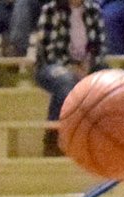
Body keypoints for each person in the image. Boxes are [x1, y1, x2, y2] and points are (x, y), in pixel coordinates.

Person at [34, 0, 106, 156]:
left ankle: (105, 138)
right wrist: (71, 67)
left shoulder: (94, 10)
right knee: (66, 81)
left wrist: (87, 66)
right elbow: (47, 52)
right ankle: (54, 137)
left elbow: (99, 47)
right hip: (52, 66)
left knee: (110, 80)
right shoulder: (50, 9)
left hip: (86, 65)